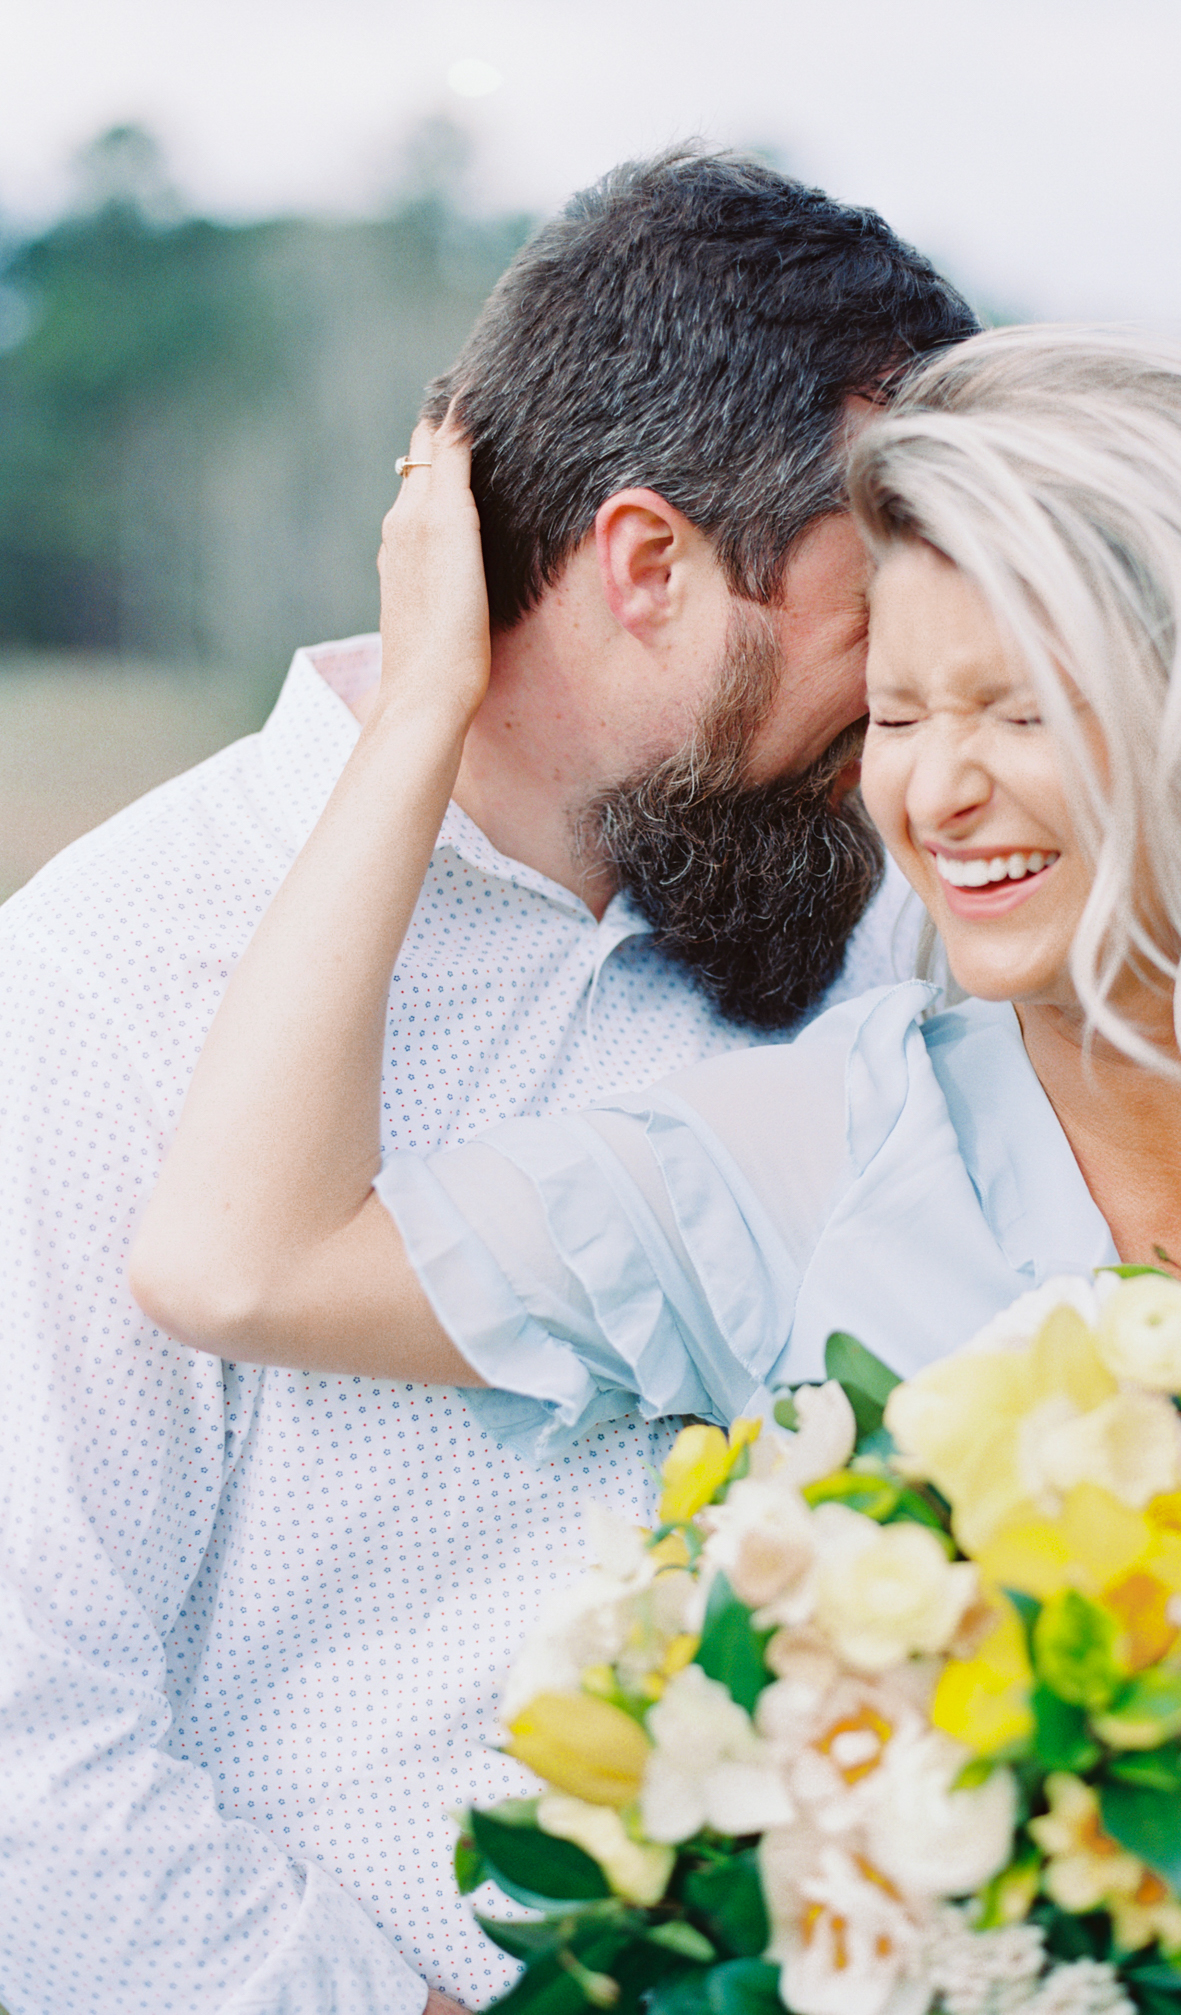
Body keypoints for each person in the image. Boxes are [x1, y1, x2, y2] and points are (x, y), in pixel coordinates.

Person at [0, 151, 977, 2015]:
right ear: (646, 567)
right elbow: (23, 1757)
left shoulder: (858, 915)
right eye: (877, 631)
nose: (911, 704)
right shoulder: (110, 983)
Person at [133, 324, 1181, 1506]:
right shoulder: (815, 1159)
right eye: (895, 715)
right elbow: (240, 1264)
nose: (936, 793)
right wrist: (422, 700)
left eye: (1019, 712)